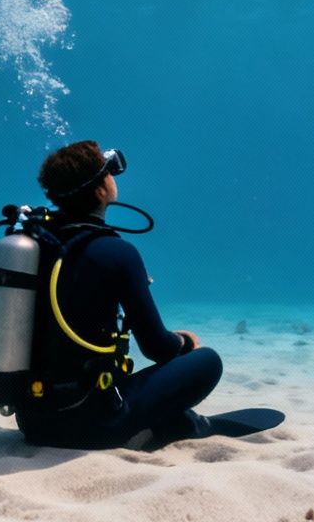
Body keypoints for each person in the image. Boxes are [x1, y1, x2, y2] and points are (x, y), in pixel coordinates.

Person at [13, 140, 224, 449]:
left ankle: (165, 418)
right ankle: (170, 424)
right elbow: (156, 347)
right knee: (207, 361)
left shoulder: (31, 245)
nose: (113, 178)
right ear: (100, 190)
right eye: (109, 173)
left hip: (32, 423)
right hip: (95, 425)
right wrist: (185, 341)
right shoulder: (115, 252)